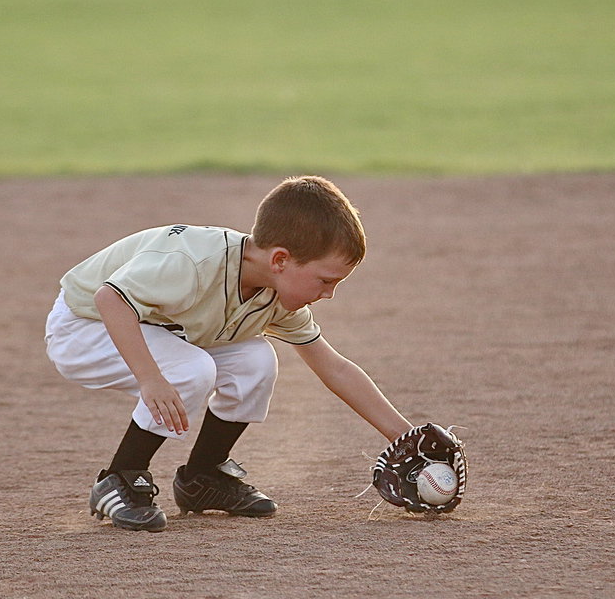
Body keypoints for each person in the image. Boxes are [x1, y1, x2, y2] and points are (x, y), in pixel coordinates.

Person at [44, 175, 412, 532]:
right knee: (192, 369)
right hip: (84, 327)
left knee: (256, 361)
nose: (329, 293)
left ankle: (202, 476)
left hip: (152, 327)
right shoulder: (193, 263)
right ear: (280, 260)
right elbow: (109, 299)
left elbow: (335, 368)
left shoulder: (273, 294)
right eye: (326, 280)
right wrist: (151, 378)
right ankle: (119, 477)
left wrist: (406, 438)